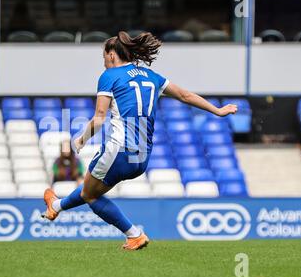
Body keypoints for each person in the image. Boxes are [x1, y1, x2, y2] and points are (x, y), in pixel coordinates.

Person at [42, 31, 238, 250]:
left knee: (90, 194)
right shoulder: (151, 76)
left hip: (118, 150)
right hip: (142, 158)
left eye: (104, 57)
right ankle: (56, 206)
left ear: (112, 55)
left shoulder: (109, 76)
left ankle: (133, 234)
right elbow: (185, 95)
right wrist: (218, 111)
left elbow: (99, 118)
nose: (104, 62)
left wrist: (81, 140)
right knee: (91, 190)